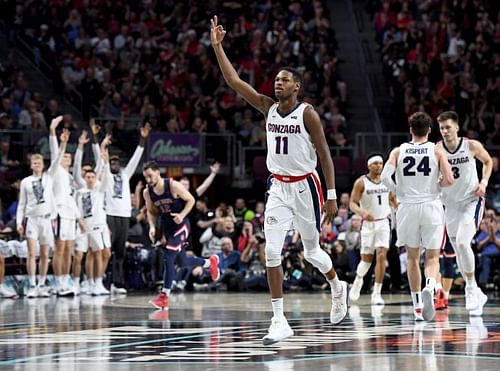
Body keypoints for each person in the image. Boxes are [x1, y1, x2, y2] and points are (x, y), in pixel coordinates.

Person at [211, 15, 348, 345]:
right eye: (276, 80)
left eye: (284, 81)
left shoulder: (308, 113)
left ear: (297, 87)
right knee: (271, 250)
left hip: (307, 186)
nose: (277, 84)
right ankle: (279, 319)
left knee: (312, 252)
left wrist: (331, 193)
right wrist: (218, 48)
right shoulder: (267, 107)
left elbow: (326, 154)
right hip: (278, 186)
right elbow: (234, 82)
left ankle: (336, 285)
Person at [381, 111, 454, 321]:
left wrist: (398, 190)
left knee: (412, 257)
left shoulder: (398, 151)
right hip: (431, 204)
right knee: (432, 257)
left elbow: (385, 177)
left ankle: (418, 308)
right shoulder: (437, 150)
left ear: (410, 130)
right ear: (429, 131)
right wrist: (436, 186)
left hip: (407, 207)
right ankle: (430, 285)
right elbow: (449, 179)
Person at [436, 111, 492, 316]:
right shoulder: (437, 150)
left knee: (461, 242)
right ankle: (476, 291)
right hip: (450, 204)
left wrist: (484, 183)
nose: (445, 131)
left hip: (472, 200)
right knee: (459, 249)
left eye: (448, 127)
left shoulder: (471, 145)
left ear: (457, 128)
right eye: (442, 128)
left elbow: (488, 162)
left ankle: (470, 287)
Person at [143, 161, 219, 310]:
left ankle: (164, 296)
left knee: (169, 255)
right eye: (146, 177)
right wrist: (152, 227)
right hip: (167, 227)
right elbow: (151, 212)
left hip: (182, 224)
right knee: (182, 262)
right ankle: (210, 263)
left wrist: (182, 214)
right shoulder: (147, 192)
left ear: (158, 173)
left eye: (150, 176)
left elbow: (191, 199)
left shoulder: (173, 185)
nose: (148, 180)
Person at [16, 129, 71, 298]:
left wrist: (63, 143)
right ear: (31, 165)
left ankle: (41, 284)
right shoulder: (25, 182)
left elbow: (56, 161)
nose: (37, 164)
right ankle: (31, 284)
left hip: (47, 220)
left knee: (46, 254)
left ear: (43, 165)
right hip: (32, 219)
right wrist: (20, 221)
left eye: (39, 162)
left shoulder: (49, 177)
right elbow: (22, 204)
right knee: (32, 253)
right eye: (34, 162)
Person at [105, 122, 151, 294]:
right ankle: (105, 281)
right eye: (112, 162)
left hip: (124, 215)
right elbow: (100, 158)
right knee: (107, 250)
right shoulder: (106, 176)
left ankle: (117, 282)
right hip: (110, 213)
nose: (115, 164)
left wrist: (142, 140)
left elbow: (135, 159)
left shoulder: (125, 174)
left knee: (120, 252)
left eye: (117, 162)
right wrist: (101, 146)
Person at [349, 154, 397, 305]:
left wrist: (397, 206)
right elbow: (352, 203)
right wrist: (362, 213)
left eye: (381, 163)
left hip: (383, 223)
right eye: (375, 163)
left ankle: (376, 292)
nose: (379, 166)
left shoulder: (387, 181)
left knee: (382, 255)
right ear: (369, 166)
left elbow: (391, 199)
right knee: (366, 261)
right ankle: (358, 280)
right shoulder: (361, 182)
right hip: (368, 225)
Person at [49, 116, 80, 296]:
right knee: (60, 249)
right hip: (59, 213)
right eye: (65, 156)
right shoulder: (56, 170)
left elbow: (72, 199)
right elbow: (55, 152)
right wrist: (53, 132)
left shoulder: (69, 177)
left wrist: (78, 218)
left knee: (69, 249)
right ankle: (58, 282)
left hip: (70, 215)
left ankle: (66, 280)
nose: (66, 158)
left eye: (69, 156)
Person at [75, 148, 112, 296]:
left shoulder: (99, 190)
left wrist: (105, 162)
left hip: (99, 226)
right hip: (85, 227)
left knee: (104, 253)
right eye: (88, 176)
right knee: (90, 255)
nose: (90, 179)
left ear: (96, 179)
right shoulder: (80, 193)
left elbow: (107, 179)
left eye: (92, 176)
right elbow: (77, 210)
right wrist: (80, 222)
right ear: (84, 179)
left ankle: (98, 282)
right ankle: (91, 283)